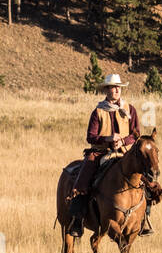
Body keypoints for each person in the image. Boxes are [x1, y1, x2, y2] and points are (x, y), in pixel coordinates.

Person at [64, 73, 152, 238]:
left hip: (125, 153)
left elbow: (136, 134)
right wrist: (108, 139)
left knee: (148, 179)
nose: (117, 90)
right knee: (83, 179)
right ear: (106, 90)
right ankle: (78, 219)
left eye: (119, 87)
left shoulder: (129, 109)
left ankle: (143, 218)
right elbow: (90, 136)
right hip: (101, 152)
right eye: (113, 87)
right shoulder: (98, 111)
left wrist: (123, 141)